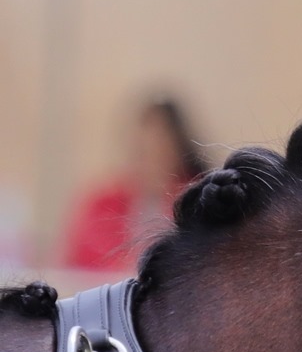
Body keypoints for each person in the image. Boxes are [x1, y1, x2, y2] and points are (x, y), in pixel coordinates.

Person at [61, 97, 207, 272]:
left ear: (178, 151)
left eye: (160, 151)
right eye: (143, 151)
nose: (150, 162)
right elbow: (72, 264)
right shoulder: (102, 204)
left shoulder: (195, 204)